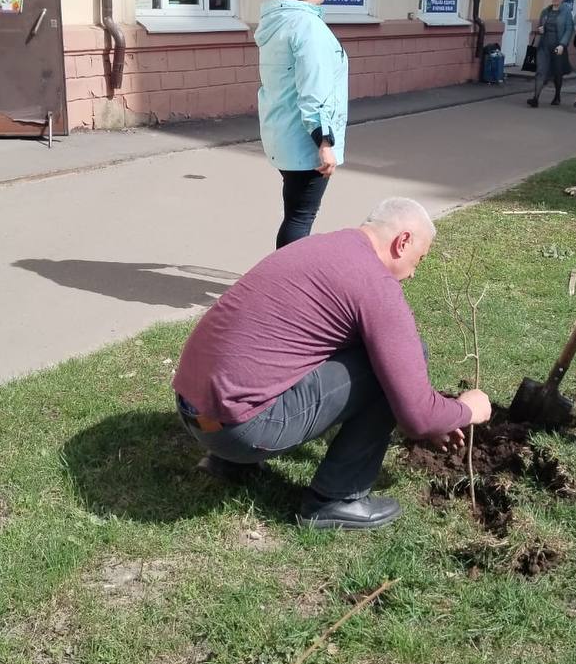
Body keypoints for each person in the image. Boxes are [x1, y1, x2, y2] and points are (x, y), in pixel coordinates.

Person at [172, 198, 493, 529]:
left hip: (194, 409)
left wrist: (432, 416)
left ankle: (230, 464)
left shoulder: (325, 246)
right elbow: (418, 419)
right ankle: (336, 499)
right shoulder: (375, 286)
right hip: (239, 430)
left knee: (361, 354)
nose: (412, 274)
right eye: (419, 260)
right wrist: (467, 410)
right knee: (400, 359)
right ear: (403, 242)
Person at [255, 0, 348, 248]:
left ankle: (283, 281)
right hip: (304, 142)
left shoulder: (279, 22)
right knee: (300, 217)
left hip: (282, 134)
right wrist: (324, 142)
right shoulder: (308, 28)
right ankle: (286, 287)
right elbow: (314, 88)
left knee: (294, 213)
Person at [527, 0, 574, 108]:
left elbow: (569, 29)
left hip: (558, 46)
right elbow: (540, 26)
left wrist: (562, 45)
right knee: (540, 71)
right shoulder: (545, 11)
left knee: (558, 72)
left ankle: (557, 96)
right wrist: (540, 29)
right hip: (544, 46)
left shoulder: (566, 12)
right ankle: (535, 98)